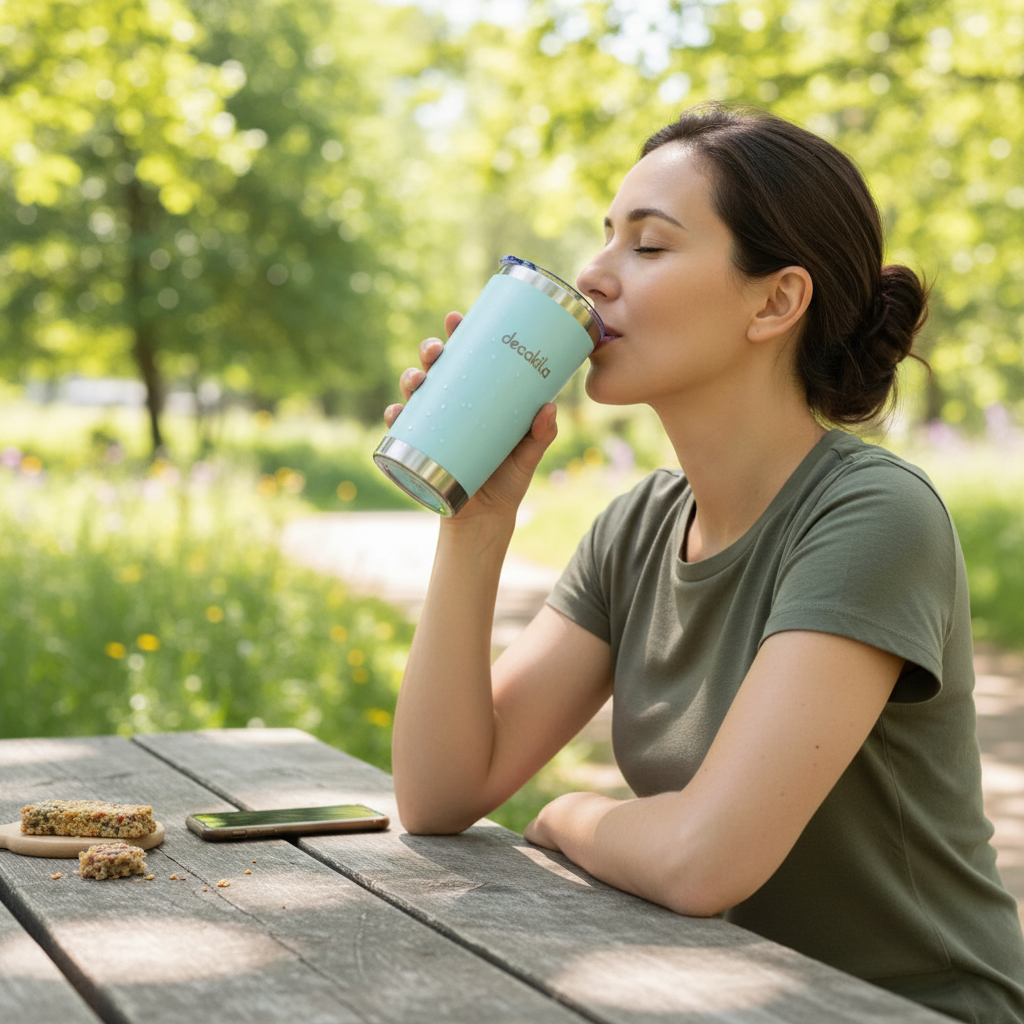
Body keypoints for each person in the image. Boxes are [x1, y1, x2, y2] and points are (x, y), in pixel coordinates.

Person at [384, 102, 1024, 1023]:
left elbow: (702, 858)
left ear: (776, 301)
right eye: (606, 238)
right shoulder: (638, 525)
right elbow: (441, 791)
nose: (595, 275)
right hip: (725, 996)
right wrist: (474, 522)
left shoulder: (873, 517)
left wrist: (565, 818)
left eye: (648, 247)